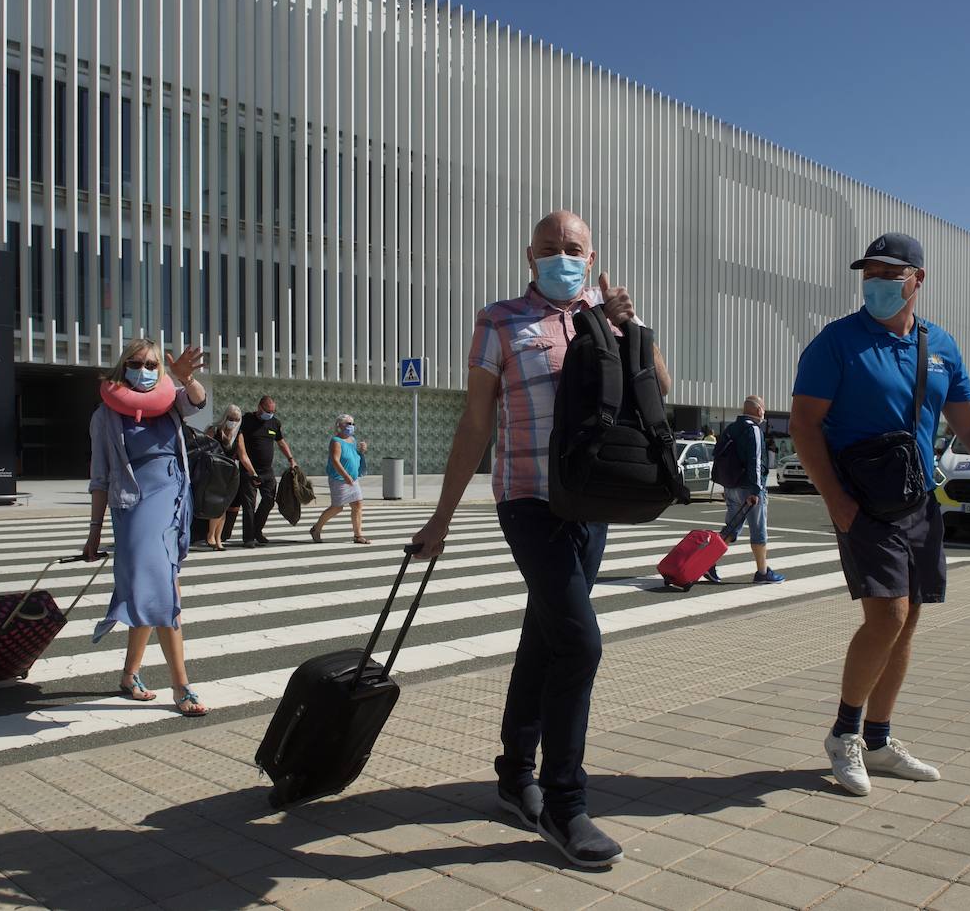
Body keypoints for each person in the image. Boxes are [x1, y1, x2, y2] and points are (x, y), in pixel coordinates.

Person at [411, 210, 671, 868]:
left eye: (574, 248)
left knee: (545, 636)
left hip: (592, 501)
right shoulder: (500, 321)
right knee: (580, 642)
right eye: (551, 247)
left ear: (591, 256)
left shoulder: (609, 315)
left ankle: (512, 771)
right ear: (530, 256)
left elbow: (661, 390)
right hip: (527, 498)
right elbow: (475, 425)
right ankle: (564, 802)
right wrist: (441, 517)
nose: (563, 256)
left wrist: (630, 324)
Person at [791, 232, 970, 797]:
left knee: (910, 619)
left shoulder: (940, 346)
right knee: (887, 616)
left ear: (917, 281)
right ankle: (844, 735)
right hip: (862, 502)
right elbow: (804, 424)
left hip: (919, 499)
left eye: (889, 273)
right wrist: (833, 498)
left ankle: (878, 741)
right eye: (870, 273)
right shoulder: (836, 343)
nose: (876, 282)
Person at [83, 339, 210, 716]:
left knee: (152, 588)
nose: (146, 370)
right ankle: (181, 685)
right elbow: (100, 477)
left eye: (152, 364)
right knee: (162, 589)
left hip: (173, 502)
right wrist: (94, 532)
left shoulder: (170, 400)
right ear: (123, 367)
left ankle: (129, 674)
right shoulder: (105, 415)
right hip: (135, 506)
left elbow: (198, 402)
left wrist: (185, 378)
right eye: (137, 363)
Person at [705, 396, 784, 584]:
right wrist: (756, 490)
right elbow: (756, 462)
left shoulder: (731, 429)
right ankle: (762, 572)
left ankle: (708, 561)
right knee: (758, 530)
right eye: (763, 408)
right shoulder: (753, 430)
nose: (764, 412)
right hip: (749, 488)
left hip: (731, 486)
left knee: (731, 527)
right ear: (758, 410)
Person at [238, 395, 296, 547]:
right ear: (259, 407)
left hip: (267, 471)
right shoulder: (246, 420)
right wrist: (249, 470)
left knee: (269, 501)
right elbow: (239, 444)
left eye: (272, 411)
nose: (270, 414)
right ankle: (249, 538)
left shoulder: (274, 423)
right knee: (249, 505)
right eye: (267, 411)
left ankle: (257, 529)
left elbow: (281, 442)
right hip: (248, 470)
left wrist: (291, 459)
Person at [310, 413, 370, 544]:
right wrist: (345, 476)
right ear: (340, 425)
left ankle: (358, 535)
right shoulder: (336, 441)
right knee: (337, 507)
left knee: (357, 504)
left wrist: (362, 450)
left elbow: (354, 455)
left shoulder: (353, 440)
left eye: (353, 424)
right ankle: (316, 528)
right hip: (339, 479)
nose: (351, 426)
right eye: (348, 423)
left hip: (353, 479)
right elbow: (335, 460)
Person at [205, 404, 257, 551]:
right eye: (231, 418)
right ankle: (211, 535)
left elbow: (243, 455)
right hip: (215, 471)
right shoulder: (214, 430)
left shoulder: (238, 434)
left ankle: (218, 538)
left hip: (230, 473)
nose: (233, 421)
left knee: (225, 507)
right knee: (218, 506)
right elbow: (204, 449)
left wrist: (253, 473)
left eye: (236, 419)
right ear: (225, 417)